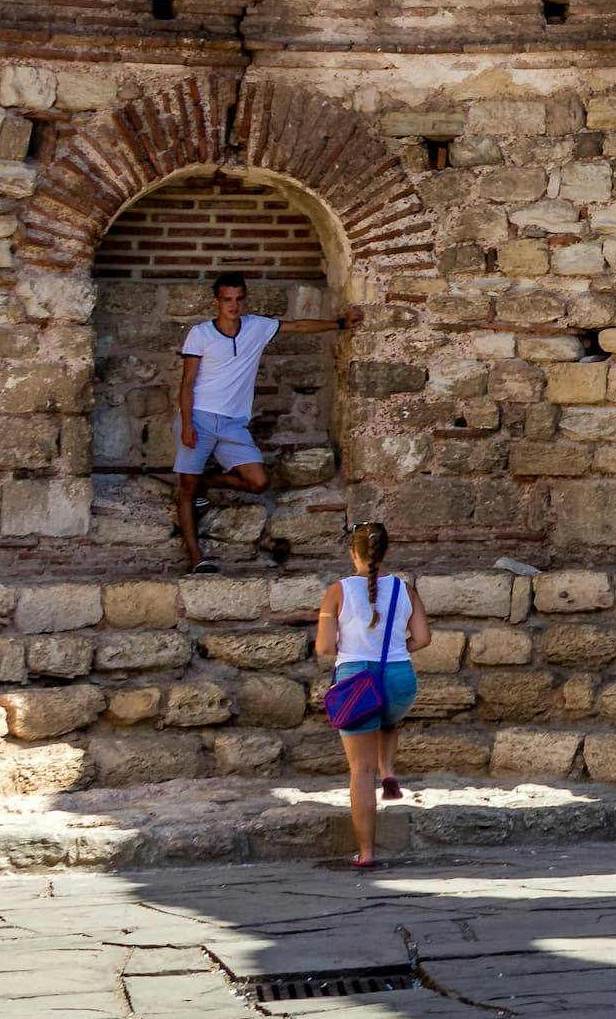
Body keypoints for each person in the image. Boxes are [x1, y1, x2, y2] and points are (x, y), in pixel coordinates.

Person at [171, 272, 323, 566]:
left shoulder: (256, 327)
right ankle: (196, 558)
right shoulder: (200, 334)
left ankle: (206, 482)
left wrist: (339, 324)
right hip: (199, 418)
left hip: (232, 424)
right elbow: (187, 383)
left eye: (239, 299)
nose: (234, 305)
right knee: (186, 490)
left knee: (258, 481)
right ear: (217, 302)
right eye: (227, 299)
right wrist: (188, 424)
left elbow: (300, 326)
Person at [314, 519, 426, 870]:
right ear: (386, 552)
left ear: (353, 554)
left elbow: (323, 647)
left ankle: (366, 853)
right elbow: (422, 638)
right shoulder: (405, 590)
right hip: (400, 680)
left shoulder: (337, 591)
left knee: (360, 770)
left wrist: (348, 648)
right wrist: (396, 648)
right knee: (388, 717)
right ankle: (389, 769)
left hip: (357, 682)